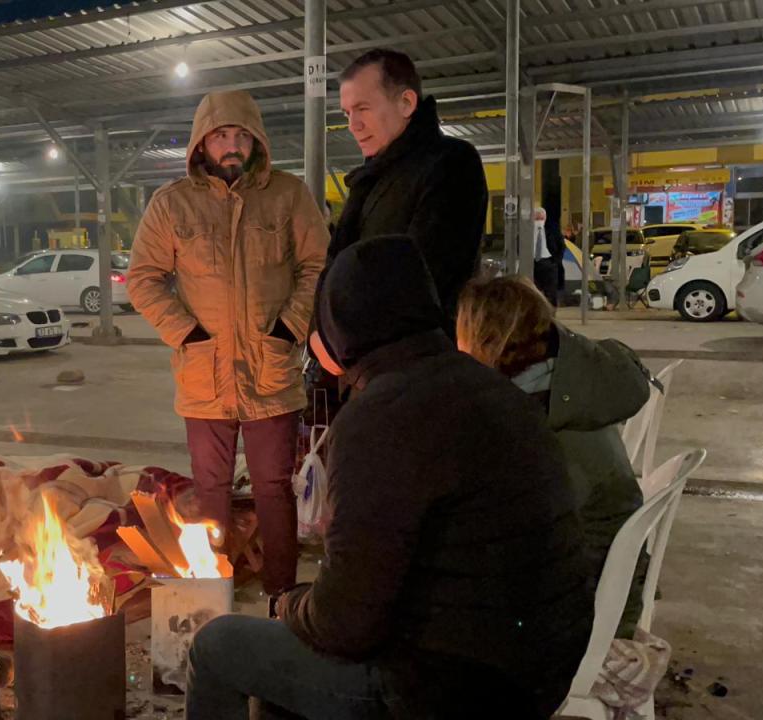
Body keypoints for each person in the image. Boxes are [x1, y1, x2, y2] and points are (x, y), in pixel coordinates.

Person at [188, 236, 592, 720]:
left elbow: (345, 624)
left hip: (454, 689)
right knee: (282, 675)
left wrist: (288, 605)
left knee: (218, 645)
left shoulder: (379, 419)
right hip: (541, 666)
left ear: (339, 327)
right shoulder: (488, 386)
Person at [128, 90, 328, 607]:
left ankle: (282, 593)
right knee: (210, 488)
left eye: (242, 135)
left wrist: (289, 327)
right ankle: (214, 590)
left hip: (270, 369)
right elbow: (144, 278)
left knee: (273, 487)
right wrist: (186, 333)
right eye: (221, 136)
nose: (232, 145)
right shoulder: (172, 203)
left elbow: (317, 266)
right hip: (204, 373)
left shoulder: (288, 196)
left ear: (257, 139)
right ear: (202, 143)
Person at [457, 275, 651, 638]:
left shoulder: (543, 426)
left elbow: (511, 543)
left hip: (577, 619)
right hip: (587, 591)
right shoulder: (562, 391)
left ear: (486, 341)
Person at [325, 49, 488, 325]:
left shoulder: (451, 164)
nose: (353, 125)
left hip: (421, 357)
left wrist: (344, 338)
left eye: (363, 108)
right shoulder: (370, 178)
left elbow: (424, 277)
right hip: (361, 357)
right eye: (346, 113)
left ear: (406, 102)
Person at [532, 207, 566, 306]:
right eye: (536, 219)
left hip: (549, 263)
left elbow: (561, 245)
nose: (539, 221)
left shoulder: (552, 230)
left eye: (541, 219)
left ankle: (551, 314)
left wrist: (556, 261)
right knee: (533, 291)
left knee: (551, 293)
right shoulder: (527, 231)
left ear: (545, 218)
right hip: (533, 263)